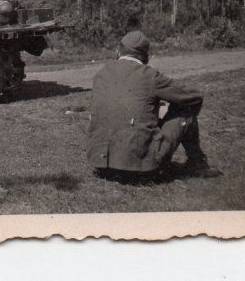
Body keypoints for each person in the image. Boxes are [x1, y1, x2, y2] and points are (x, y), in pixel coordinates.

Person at [87, 30, 219, 179]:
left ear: (118, 51)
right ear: (146, 57)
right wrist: (165, 114)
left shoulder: (101, 74)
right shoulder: (150, 76)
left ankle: (121, 160)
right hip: (139, 167)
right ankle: (197, 163)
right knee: (185, 110)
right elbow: (194, 97)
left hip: (101, 164)